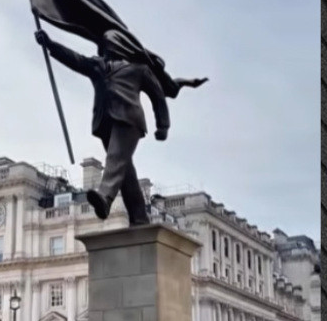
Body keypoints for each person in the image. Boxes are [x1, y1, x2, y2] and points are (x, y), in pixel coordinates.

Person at [35, 28, 206, 225]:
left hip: (129, 120)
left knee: (115, 158)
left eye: (106, 45)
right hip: (104, 123)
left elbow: (158, 96)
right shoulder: (98, 65)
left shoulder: (138, 69)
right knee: (125, 172)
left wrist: (163, 125)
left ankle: (105, 198)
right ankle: (139, 217)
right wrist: (51, 44)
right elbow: (76, 59)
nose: (103, 50)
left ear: (117, 46)